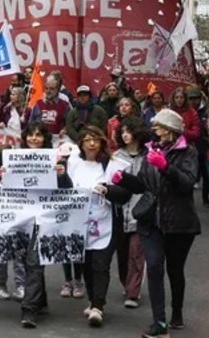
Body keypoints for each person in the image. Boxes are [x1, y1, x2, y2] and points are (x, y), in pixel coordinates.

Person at [115, 108, 201, 337]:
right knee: (153, 267)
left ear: (171, 130)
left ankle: (177, 313)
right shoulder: (151, 151)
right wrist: (123, 179)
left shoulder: (188, 152)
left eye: (158, 127)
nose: (154, 131)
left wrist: (166, 167)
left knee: (174, 270)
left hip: (179, 223)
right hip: (151, 221)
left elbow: (187, 183)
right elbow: (142, 185)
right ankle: (159, 322)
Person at [66, 126, 132, 327]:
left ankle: (98, 306)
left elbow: (126, 194)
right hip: (80, 222)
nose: (92, 144)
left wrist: (107, 190)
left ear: (102, 142)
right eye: (87, 140)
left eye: (95, 140)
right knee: (85, 262)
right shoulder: (73, 163)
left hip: (107, 221)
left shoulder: (114, 165)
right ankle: (92, 299)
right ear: (81, 144)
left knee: (101, 263)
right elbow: (65, 189)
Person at [19, 121, 73, 328]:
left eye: (38, 135)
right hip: (21, 217)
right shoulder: (16, 157)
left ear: (45, 139)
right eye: (30, 135)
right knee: (27, 260)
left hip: (44, 216)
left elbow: (68, 188)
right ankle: (40, 302)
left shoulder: (56, 159)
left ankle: (29, 310)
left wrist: (61, 174)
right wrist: (3, 173)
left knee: (34, 261)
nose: (33, 138)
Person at [111, 117, 148, 310]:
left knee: (136, 252)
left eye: (129, 131)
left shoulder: (149, 156)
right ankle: (127, 284)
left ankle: (133, 292)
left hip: (141, 212)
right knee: (123, 254)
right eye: (122, 131)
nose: (125, 135)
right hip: (119, 212)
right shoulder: (116, 156)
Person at [0, 145, 26, 302]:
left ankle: (21, 285)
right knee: (1, 256)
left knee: (19, 255)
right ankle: (0, 284)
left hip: (17, 218)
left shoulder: (19, 172)